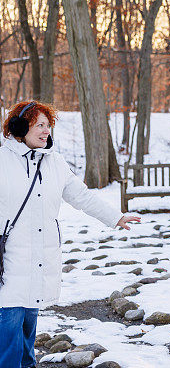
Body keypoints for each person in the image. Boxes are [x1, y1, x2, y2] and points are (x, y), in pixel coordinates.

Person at [0, 100, 141, 368]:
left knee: (28, 333)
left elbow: (82, 197)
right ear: (20, 127)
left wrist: (116, 217)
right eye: (39, 125)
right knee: (8, 335)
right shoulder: (2, 161)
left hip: (40, 260)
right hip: (8, 262)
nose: (46, 132)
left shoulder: (55, 163)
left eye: (48, 126)